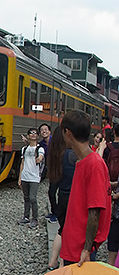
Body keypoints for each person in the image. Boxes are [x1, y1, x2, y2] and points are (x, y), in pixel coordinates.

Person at [60, 110, 111, 266]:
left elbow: (95, 210)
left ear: (67, 132)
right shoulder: (85, 161)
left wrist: (87, 250)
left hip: (80, 251)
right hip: (74, 246)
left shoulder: (93, 164)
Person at [47, 126, 77, 270]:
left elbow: (52, 189)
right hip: (72, 198)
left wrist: (54, 209)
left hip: (62, 197)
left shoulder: (54, 155)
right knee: (68, 232)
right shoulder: (71, 155)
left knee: (62, 230)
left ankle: (54, 261)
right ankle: (62, 263)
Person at [18, 128, 45, 229]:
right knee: (26, 198)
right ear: (28, 136)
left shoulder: (40, 149)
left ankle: (35, 218)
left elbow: (41, 157)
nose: (33, 135)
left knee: (32, 198)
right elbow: (22, 163)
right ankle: (26, 216)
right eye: (31, 133)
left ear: (37, 136)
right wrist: (20, 177)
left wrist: (39, 159)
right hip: (25, 176)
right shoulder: (24, 149)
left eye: (35, 133)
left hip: (34, 177)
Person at [38, 123, 58, 224]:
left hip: (59, 169)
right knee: (51, 192)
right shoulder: (41, 144)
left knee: (58, 192)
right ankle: (54, 212)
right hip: (52, 170)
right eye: (42, 130)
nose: (44, 131)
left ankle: (57, 213)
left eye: (45, 129)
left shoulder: (55, 142)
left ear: (50, 131)